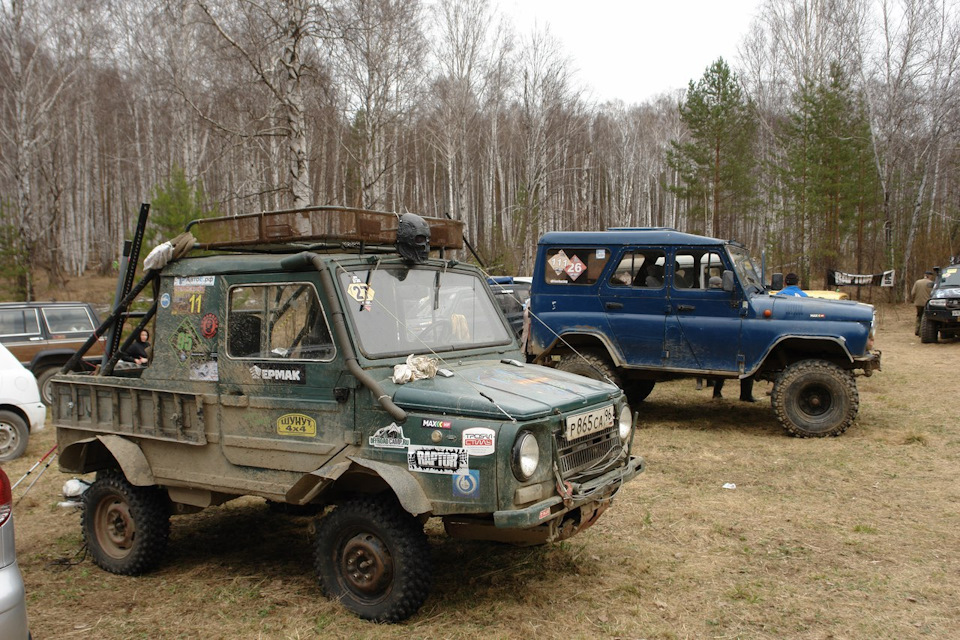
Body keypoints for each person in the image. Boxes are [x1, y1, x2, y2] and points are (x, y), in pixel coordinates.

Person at [911, 270, 935, 336]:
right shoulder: (932, 283)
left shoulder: (917, 282)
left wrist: (914, 300)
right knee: (925, 318)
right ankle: (922, 332)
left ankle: (917, 330)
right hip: (927, 303)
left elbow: (913, 293)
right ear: (930, 276)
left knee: (919, 316)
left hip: (918, 303)